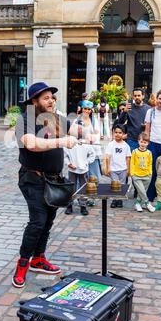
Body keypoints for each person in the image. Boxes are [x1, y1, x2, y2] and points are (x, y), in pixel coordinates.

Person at [13, 82, 94, 289]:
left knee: (48, 220)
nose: (51, 101)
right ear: (34, 101)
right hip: (33, 178)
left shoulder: (57, 119)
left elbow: (78, 130)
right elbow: (31, 143)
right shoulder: (26, 119)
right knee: (38, 221)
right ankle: (23, 263)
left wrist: (90, 130)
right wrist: (61, 142)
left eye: (52, 97)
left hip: (53, 179)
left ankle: (38, 259)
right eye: (46, 98)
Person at [103, 124, 131, 209]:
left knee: (122, 185)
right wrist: (108, 168)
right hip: (113, 169)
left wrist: (128, 169)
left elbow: (128, 158)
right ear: (113, 133)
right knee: (114, 184)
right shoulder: (111, 144)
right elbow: (107, 157)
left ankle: (120, 200)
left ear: (124, 134)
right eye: (116, 132)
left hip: (123, 169)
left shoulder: (126, 145)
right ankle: (114, 200)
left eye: (120, 132)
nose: (117, 134)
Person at [64, 143, 96, 216]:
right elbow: (65, 155)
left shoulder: (86, 143)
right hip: (72, 169)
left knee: (83, 188)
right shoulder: (69, 141)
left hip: (83, 169)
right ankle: (69, 205)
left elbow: (92, 154)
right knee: (71, 187)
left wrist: (86, 162)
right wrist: (68, 163)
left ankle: (83, 205)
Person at [119, 88, 151, 152]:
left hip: (144, 141)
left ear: (143, 96)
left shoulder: (148, 109)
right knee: (131, 160)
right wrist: (124, 112)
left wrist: (146, 125)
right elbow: (121, 122)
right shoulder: (129, 108)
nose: (137, 97)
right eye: (135, 96)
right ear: (133, 97)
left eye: (139, 95)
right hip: (131, 140)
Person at [130, 132, 155, 213]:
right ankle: (147, 203)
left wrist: (150, 173)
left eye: (145, 142)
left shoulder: (149, 153)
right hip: (136, 175)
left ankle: (137, 203)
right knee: (141, 190)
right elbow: (132, 163)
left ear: (148, 143)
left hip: (147, 176)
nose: (143, 144)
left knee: (142, 191)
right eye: (141, 142)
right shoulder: (134, 152)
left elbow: (150, 163)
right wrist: (132, 173)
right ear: (138, 141)